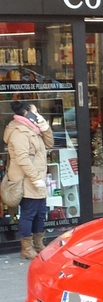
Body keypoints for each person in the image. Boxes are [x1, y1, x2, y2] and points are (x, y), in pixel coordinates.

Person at [3, 100, 53, 259]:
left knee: (40, 212)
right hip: (27, 180)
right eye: (34, 112)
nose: (37, 115)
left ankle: (38, 244)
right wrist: (35, 179)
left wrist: (45, 127)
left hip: (37, 178)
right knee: (29, 213)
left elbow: (50, 143)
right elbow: (22, 158)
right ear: (26, 113)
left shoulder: (34, 129)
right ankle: (26, 247)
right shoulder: (19, 131)